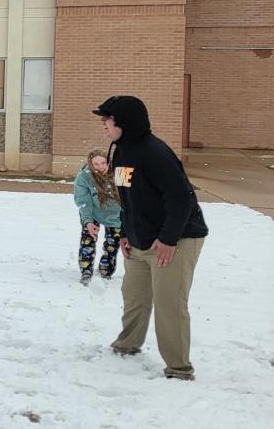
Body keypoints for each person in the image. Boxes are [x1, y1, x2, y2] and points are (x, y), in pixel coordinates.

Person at [93, 95, 209, 381]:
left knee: (169, 304)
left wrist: (169, 239)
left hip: (177, 238)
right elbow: (127, 197)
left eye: (108, 119)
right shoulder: (120, 152)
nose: (104, 125)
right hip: (141, 238)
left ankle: (179, 368)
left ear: (125, 122)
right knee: (134, 296)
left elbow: (181, 198)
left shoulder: (155, 153)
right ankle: (128, 344)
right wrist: (125, 232)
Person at [73, 148, 123, 285]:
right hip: (93, 212)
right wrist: (88, 222)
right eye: (96, 164)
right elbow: (84, 202)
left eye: (103, 163)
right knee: (88, 240)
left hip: (116, 214)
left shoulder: (119, 173)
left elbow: (130, 197)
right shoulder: (84, 177)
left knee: (112, 244)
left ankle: (106, 269)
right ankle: (86, 270)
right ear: (90, 164)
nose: (100, 167)